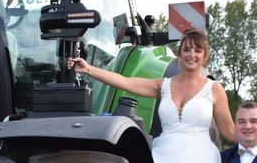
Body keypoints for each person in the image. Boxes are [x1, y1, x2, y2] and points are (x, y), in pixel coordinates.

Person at [68, 28, 236, 163]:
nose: (191, 55)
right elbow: (124, 81)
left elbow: (229, 131)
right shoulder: (163, 85)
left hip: (201, 157)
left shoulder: (214, 89)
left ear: (204, 56)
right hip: (162, 155)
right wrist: (89, 69)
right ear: (180, 54)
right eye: (186, 49)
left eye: (197, 50)